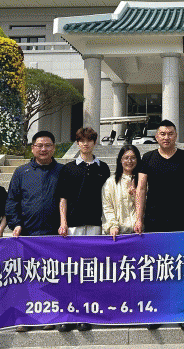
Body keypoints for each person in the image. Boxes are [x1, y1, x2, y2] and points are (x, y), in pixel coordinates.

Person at [133, 119, 184, 331]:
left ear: (176, 135)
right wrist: (139, 218)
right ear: (156, 136)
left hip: (180, 217)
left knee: (181, 266)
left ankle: (183, 312)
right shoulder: (148, 158)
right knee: (155, 266)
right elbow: (141, 189)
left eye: (170, 133)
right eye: (162, 134)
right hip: (154, 219)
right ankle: (156, 311)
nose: (166, 137)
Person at [5, 130, 64, 333]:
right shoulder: (22, 172)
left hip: (54, 233)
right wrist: (15, 224)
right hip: (27, 234)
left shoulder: (62, 171)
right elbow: (12, 201)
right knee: (26, 277)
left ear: (54, 148)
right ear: (32, 148)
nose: (43, 149)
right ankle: (24, 318)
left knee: (51, 277)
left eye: (48, 145)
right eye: (39, 145)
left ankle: (49, 316)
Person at [56, 127, 111, 333]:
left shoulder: (103, 168)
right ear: (77, 143)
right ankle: (68, 314)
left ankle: (86, 314)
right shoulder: (68, 169)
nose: (85, 144)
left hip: (95, 225)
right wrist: (63, 222)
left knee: (91, 270)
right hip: (74, 225)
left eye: (89, 140)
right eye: (81, 140)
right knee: (71, 270)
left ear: (94, 142)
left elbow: (108, 196)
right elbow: (63, 198)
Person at [102, 145, 140, 239]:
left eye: (133, 158)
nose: (129, 161)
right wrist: (113, 226)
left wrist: (136, 195)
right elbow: (107, 206)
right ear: (120, 160)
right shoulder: (111, 182)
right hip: (118, 234)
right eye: (126, 158)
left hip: (138, 233)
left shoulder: (142, 182)